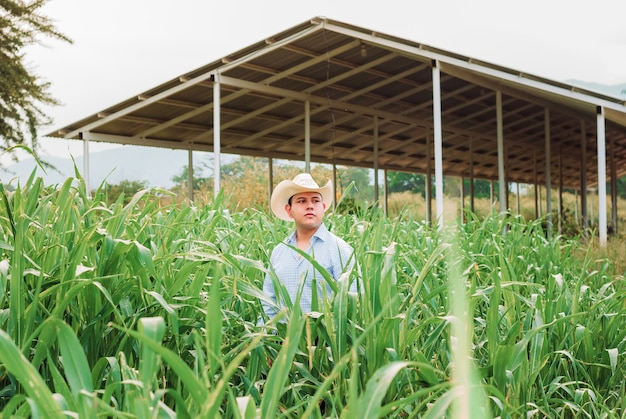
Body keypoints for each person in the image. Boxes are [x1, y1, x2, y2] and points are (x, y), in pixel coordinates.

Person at [261, 173, 356, 322]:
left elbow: (352, 301)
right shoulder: (279, 252)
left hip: (326, 342)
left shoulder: (340, 250)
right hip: (281, 341)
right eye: (301, 201)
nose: (310, 205)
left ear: (323, 207)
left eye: (315, 200)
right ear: (289, 210)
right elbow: (268, 301)